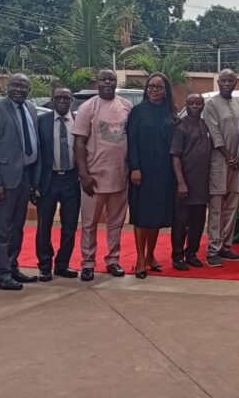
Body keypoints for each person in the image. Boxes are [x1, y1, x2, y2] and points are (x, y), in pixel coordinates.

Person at [72, 69, 132, 281]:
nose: (108, 82)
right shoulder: (88, 107)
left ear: (116, 82)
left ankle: (113, 260)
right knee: (89, 223)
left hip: (120, 176)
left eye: (111, 79)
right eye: (103, 79)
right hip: (94, 178)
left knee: (116, 223)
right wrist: (84, 174)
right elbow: (79, 143)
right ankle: (88, 263)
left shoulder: (126, 105)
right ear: (96, 82)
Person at [0, 73, 42, 291]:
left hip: (25, 176)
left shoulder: (31, 109)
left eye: (24, 86)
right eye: (15, 85)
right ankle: (1, 273)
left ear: (29, 89)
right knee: (2, 227)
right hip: (4, 178)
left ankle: (12, 266)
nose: (19, 89)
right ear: (7, 86)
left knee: (17, 226)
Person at [127, 72, 177, 278]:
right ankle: (140, 259)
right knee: (142, 215)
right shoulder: (137, 111)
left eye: (159, 87)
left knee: (156, 215)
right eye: (151, 86)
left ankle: (150, 255)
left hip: (164, 173)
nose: (155, 90)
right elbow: (131, 141)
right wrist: (135, 168)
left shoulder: (170, 114)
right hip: (142, 172)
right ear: (146, 89)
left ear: (166, 92)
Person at [34, 86, 80, 280]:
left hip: (71, 179)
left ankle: (62, 264)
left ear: (71, 101)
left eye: (66, 98)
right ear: (52, 100)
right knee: (44, 225)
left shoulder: (78, 121)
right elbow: (36, 153)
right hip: (48, 180)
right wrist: (35, 183)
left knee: (70, 225)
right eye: (58, 98)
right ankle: (44, 265)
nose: (62, 101)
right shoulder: (41, 121)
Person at [203, 69, 239, 266]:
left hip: (236, 162)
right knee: (217, 207)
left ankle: (225, 246)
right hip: (219, 162)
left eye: (231, 80)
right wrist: (229, 157)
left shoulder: (238, 104)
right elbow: (214, 133)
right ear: (218, 83)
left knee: (232, 205)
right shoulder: (211, 104)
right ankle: (213, 249)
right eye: (223, 81)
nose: (227, 84)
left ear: (236, 83)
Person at [170, 93, 212, 271]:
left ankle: (191, 254)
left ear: (203, 106)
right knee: (181, 222)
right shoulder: (181, 127)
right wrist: (181, 182)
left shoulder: (205, 125)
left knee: (198, 221)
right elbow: (175, 156)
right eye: (191, 103)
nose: (195, 106)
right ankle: (177, 256)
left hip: (202, 184)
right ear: (186, 106)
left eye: (198, 103)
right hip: (185, 183)